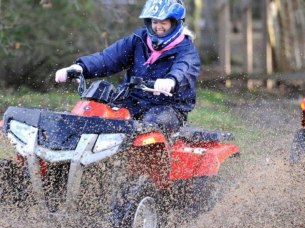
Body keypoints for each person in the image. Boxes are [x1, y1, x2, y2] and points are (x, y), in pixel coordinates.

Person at [55, 0, 200, 135]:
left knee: (150, 125)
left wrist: (171, 81)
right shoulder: (138, 39)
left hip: (168, 107)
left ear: (175, 24)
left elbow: (183, 70)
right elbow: (108, 59)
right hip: (132, 99)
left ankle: (139, 161)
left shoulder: (186, 50)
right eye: (155, 22)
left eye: (164, 22)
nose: (158, 27)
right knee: (101, 111)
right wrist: (80, 68)